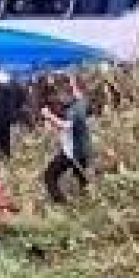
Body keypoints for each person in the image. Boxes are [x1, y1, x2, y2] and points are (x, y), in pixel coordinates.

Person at [40, 73, 90, 204]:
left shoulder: (74, 110)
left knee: (49, 175)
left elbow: (65, 126)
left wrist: (49, 116)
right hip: (82, 150)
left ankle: (61, 204)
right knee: (81, 177)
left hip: (72, 152)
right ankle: (87, 199)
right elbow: (79, 95)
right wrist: (72, 82)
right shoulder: (80, 103)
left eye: (61, 94)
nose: (59, 97)